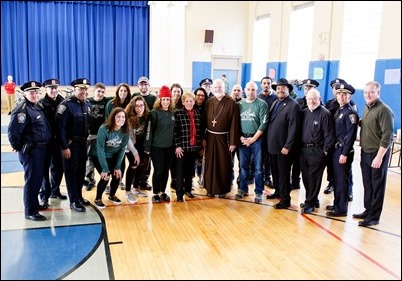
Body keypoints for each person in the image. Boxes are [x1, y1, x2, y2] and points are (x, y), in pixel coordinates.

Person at [8, 80, 51, 221]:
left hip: (41, 150)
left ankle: (34, 204)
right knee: (32, 181)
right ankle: (30, 211)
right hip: (32, 152)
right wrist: (19, 147)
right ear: (25, 93)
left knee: (37, 180)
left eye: (36, 92)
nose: (35, 94)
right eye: (31, 92)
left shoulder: (36, 107)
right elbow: (14, 132)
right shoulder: (22, 110)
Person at [353, 81, 394, 227]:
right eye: (365, 92)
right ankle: (368, 210)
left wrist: (379, 156)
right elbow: (367, 124)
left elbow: (387, 136)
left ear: (378, 93)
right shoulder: (367, 108)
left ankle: (374, 216)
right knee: (368, 184)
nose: (368, 95)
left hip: (377, 153)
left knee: (377, 185)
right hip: (365, 152)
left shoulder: (384, 110)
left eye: (371, 92)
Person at [56, 78, 92, 212]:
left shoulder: (88, 104)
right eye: (81, 89)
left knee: (81, 172)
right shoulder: (66, 106)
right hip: (71, 145)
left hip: (83, 144)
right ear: (74, 89)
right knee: (71, 173)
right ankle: (74, 201)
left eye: (85, 89)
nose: (84, 91)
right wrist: (64, 147)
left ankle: (79, 196)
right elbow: (60, 129)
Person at [266, 78, 302, 209]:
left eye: (283, 88)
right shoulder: (275, 103)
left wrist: (287, 146)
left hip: (284, 148)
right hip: (273, 146)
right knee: (275, 172)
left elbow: (294, 129)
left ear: (288, 90)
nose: (280, 90)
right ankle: (278, 192)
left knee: (284, 174)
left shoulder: (294, 106)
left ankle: (285, 199)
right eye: (278, 88)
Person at [203, 78, 240, 198]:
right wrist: (203, 137)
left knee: (223, 164)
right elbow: (204, 121)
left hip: (224, 138)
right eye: (216, 87)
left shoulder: (231, 102)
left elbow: (235, 123)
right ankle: (209, 188)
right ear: (213, 88)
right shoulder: (209, 102)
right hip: (209, 137)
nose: (218, 89)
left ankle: (222, 189)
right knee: (209, 163)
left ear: (224, 88)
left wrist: (233, 142)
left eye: (220, 87)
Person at [299, 88, 334, 214]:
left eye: (314, 99)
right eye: (309, 99)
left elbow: (329, 135)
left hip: (317, 151)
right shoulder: (304, 113)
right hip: (303, 151)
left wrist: (324, 152)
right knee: (306, 178)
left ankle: (309, 203)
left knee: (314, 178)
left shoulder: (325, 114)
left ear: (319, 99)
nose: (311, 101)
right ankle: (313, 199)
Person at [326, 83, 358, 217]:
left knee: (342, 180)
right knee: (337, 179)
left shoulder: (350, 113)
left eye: (345, 94)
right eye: (339, 94)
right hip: (336, 150)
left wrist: (344, 153)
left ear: (349, 96)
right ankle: (337, 203)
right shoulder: (340, 110)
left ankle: (341, 209)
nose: (341, 96)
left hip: (343, 151)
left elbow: (351, 136)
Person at [235, 81, 268, 204]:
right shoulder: (239, 105)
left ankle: (259, 191)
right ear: (244, 90)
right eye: (248, 89)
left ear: (257, 90)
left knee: (258, 168)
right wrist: (240, 137)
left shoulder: (262, 104)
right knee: (243, 166)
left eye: (253, 89)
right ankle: (242, 189)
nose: (250, 92)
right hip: (243, 139)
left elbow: (264, 123)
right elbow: (235, 123)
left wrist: (253, 139)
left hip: (257, 139)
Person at [90, 107, 130, 209]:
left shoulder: (125, 130)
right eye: (118, 117)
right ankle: (98, 198)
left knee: (117, 175)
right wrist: (105, 169)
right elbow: (100, 149)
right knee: (106, 176)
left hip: (114, 155)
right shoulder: (104, 129)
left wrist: (117, 167)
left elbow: (122, 149)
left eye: (123, 117)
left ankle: (112, 195)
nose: (121, 119)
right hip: (98, 155)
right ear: (113, 117)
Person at [38, 78, 66, 208]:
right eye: (51, 88)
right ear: (46, 89)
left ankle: (55, 191)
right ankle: (44, 196)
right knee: (44, 170)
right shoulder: (41, 104)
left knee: (58, 168)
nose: (54, 90)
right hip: (45, 142)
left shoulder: (62, 101)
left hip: (58, 141)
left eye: (56, 88)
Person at [144, 86, 175, 203]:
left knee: (166, 170)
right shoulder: (154, 113)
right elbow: (149, 130)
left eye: (168, 99)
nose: (166, 102)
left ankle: (162, 191)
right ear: (160, 100)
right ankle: (155, 193)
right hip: (157, 147)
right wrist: (147, 147)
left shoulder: (172, 113)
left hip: (169, 147)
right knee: (158, 170)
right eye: (164, 99)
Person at [173, 92, 202, 202]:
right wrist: (177, 146)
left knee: (190, 170)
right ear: (183, 102)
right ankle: (179, 193)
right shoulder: (178, 113)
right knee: (180, 171)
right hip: (182, 148)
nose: (189, 103)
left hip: (193, 147)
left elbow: (199, 131)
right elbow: (175, 132)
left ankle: (188, 189)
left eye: (191, 101)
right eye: (187, 101)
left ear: (194, 102)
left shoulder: (198, 113)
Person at [84, 83, 112, 191]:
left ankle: (105, 181)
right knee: (89, 160)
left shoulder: (107, 101)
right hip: (89, 136)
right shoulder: (88, 101)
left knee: (102, 159)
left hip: (101, 136)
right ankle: (90, 180)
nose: (100, 94)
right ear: (93, 92)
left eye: (102, 92)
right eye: (98, 91)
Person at [132, 76, 157, 190]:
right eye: (141, 84)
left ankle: (144, 180)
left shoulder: (153, 98)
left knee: (147, 160)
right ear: (138, 86)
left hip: (148, 134)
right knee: (135, 159)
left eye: (145, 84)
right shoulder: (134, 97)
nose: (143, 86)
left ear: (149, 86)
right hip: (135, 134)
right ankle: (134, 181)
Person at [124, 96, 150, 201]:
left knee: (140, 165)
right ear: (133, 107)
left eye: (141, 105)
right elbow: (127, 138)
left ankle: (135, 188)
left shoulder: (147, 116)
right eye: (137, 106)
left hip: (141, 145)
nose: (139, 108)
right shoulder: (128, 117)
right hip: (130, 146)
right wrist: (134, 152)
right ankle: (127, 190)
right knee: (134, 164)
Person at [257, 76, 277, 188]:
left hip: (271, 133)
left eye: (268, 83)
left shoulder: (275, 98)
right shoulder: (257, 97)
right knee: (257, 156)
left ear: (271, 84)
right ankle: (254, 177)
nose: (266, 85)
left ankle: (267, 178)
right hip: (258, 132)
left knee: (268, 157)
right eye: (264, 83)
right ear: (261, 85)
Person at [169, 83, 184, 191]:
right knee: (172, 161)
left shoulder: (183, 105)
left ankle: (180, 180)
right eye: (174, 91)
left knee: (180, 161)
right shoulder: (168, 104)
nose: (176, 93)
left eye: (178, 91)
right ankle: (173, 180)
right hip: (169, 138)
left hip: (181, 138)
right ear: (171, 92)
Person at [193, 87, 208, 186]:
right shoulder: (191, 106)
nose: (200, 97)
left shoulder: (207, 107)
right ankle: (190, 179)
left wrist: (204, 138)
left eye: (202, 95)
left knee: (201, 158)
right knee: (192, 159)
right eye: (198, 95)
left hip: (203, 137)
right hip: (192, 137)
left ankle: (200, 177)